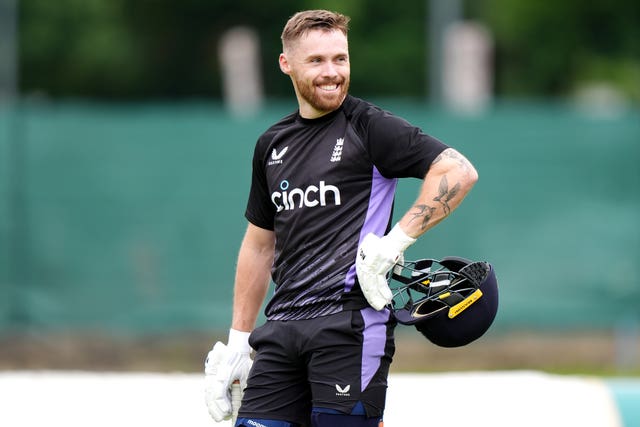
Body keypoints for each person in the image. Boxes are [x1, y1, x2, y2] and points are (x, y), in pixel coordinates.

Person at [204, 9, 478, 427]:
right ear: (286, 64)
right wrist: (239, 342)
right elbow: (259, 244)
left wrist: (394, 243)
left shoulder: (369, 127)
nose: (332, 72)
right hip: (281, 329)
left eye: (340, 59)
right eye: (317, 61)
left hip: (350, 326)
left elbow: (458, 171)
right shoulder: (271, 145)